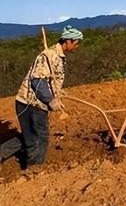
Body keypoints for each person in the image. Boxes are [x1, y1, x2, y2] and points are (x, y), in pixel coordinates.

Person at [14, 25, 83, 167]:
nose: (78, 46)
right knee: (40, 138)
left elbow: (49, 79)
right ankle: (34, 171)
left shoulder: (57, 56)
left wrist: (57, 92)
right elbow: (37, 81)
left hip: (27, 101)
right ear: (68, 41)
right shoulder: (49, 55)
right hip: (32, 104)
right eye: (76, 43)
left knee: (29, 138)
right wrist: (50, 100)